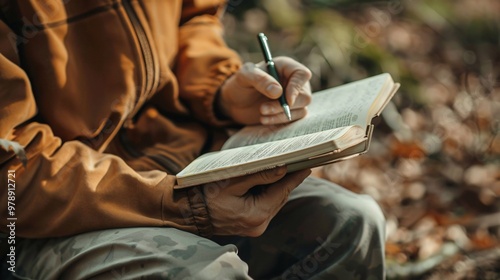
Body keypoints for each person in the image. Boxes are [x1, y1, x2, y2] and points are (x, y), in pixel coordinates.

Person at [0, 1, 386, 279]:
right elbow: (11, 171)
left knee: (351, 223)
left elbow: (193, 17)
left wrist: (220, 87)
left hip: (183, 165)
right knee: (206, 273)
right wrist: (184, 203)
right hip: (48, 220)